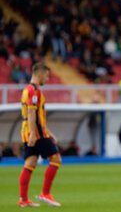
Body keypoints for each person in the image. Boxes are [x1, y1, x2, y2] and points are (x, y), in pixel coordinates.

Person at [18, 62, 62, 207]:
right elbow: (32, 113)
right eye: (47, 76)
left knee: (30, 162)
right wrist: (33, 134)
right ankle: (45, 193)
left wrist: (49, 133)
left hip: (27, 131)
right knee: (56, 160)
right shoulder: (34, 91)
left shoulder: (26, 90)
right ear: (40, 74)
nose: (48, 79)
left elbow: (37, 115)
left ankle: (23, 200)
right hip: (36, 133)